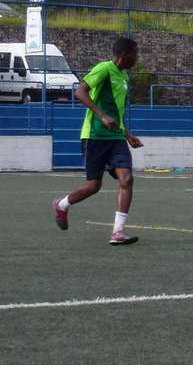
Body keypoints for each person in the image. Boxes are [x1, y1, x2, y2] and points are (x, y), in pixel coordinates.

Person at [52, 37, 144, 245]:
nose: (137, 58)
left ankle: (118, 232)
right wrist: (102, 116)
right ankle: (62, 204)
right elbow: (80, 91)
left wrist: (127, 134)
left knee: (127, 179)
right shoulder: (104, 69)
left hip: (116, 138)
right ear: (124, 54)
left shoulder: (123, 77)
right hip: (94, 135)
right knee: (93, 186)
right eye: (135, 54)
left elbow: (117, 113)